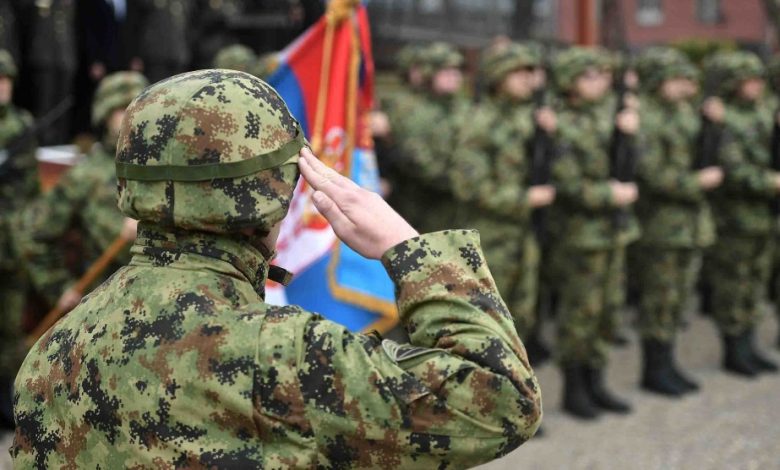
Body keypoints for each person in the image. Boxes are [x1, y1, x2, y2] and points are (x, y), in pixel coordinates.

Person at [12, 69, 542, 468]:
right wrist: (407, 248)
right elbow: (501, 401)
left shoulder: (52, 351)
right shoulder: (281, 354)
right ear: (274, 195)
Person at [549, 47, 640, 419]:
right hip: (580, 235)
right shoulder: (559, 122)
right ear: (571, 81)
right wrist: (609, 194)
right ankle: (574, 388)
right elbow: (564, 182)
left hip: (614, 232)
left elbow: (634, 161)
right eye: (591, 75)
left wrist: (631, 133)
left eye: (604, 74)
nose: (601, 81)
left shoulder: (613, 116)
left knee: (608, 310)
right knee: (579, 313)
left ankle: (597, 380)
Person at [13, 72, 147, 315]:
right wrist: (58, 288)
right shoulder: (85, 176)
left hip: (162, 299)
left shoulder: (166, 167)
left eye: (139, 107)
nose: (132, 116)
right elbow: (31, 231)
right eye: (122, 109)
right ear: (105, 115)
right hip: (108, 308)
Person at [631, 48, 723, 396]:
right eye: (676, 80)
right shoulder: (648, 119)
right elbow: (652, 174)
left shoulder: (687, 113)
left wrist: (714, 122)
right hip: (662, 225)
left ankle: (668, 363)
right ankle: (653, 369)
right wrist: (695, 183)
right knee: (660, 298)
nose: (684, 86)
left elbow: (707, 152)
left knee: (678, 299)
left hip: (691, 224)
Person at [451, 42, 556, 341]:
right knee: (489, 323)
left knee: (521, 316)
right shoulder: (480, 121)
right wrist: (524, 199)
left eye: (531, 71)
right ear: (499, 77)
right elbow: (469, 186)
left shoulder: (528, 117)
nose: (528, 78)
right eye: (519, 72)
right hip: (492, 239)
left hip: (523, 234)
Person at [703, 51, 780, 377]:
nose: (756, 86)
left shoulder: (765, 112)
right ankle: (734, 349)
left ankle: (750, 344)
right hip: (736, 218)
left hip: (764, 217)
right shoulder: (724, 119)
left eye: (759, 79)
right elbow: (733, 169)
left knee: (755, 284)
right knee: (733, 285)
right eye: (749, 80)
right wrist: (771, 182)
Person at [384, 42, 469, 234]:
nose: (454, 76)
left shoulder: (465, 109)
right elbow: (417, 161)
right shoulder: (412, 110)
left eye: (456, 71)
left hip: (458, 212)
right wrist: (464, 182)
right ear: (430, 74)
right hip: (420, 210)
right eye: (446, 71)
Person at [0, 49, 37, 430]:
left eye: (7, 81)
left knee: (12, 327)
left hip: (12, 241)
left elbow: (30, 189)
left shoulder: (22, 124)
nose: (3, 88)